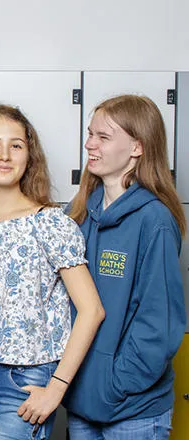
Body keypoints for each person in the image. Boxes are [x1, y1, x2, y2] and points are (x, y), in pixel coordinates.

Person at [0, 105, 105, 440]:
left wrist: (56, 389)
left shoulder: (50, 223)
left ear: (29, 155)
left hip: (26, 380)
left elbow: (92, 311)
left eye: (16, 145)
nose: (4, 155)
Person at [63, 94, 185, 439]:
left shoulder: (155, 220)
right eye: (90, 134)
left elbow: (158, 325)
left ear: (137, 147)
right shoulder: (79, 210)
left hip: (133, 410)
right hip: (81, 402)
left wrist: (113, 384)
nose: (90, 144)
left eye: (103, 137)